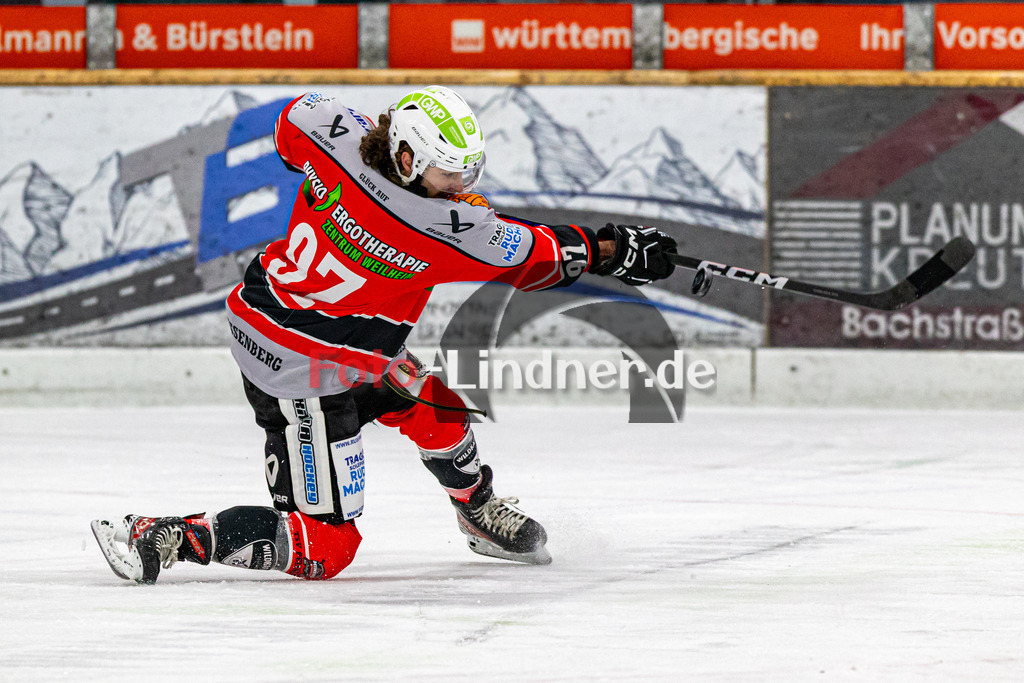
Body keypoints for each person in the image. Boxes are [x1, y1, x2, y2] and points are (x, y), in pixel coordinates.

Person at [91, 86, 677, 584]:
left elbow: (290, 125)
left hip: (294, 323)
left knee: (439, 408)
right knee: (327, 548)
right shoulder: (444, 226)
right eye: (450, 171)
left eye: (467, 168)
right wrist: (617, 248)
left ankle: (475, 512)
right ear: (405, 157)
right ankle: (169, 537)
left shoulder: (332, 131)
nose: (462, 183)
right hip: (298, 366)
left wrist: (349, 165)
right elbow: (537, 257)